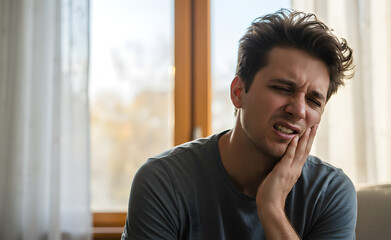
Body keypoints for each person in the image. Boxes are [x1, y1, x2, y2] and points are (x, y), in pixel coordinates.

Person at [122, 9, 356, 240]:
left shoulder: (330, 193)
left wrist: (272, 208)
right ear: (238, 93)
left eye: (314, 100)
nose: (299, 110)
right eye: (283, 89)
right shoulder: (163, 181)